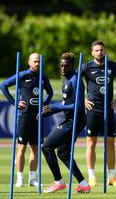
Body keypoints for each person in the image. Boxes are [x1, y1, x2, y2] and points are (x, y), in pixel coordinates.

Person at [0, 53, 53, 187]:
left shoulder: (43, 77)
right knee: (22, 148)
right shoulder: (23, 75)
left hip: (37, 118)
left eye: (40, 62)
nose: (38, 64)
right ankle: (20, 178)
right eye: (35, 61)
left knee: (35, 148)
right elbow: (3, 86)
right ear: (29, 62)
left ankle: (32, 179)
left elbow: (50, 92)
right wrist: (14, 101)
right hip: (24, 117)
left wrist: (44, 103)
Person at [41, 52, 90, 193]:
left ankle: (58, 182)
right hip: (70, 119)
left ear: (72, 66)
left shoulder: (76, 80)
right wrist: (49, 111)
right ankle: (84, 185)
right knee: (63, 153)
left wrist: (54, 107)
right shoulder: (66, 79)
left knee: (47, 147)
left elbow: (78, 106)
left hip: (75, 120)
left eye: (65, 66)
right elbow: (65, 102)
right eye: (61, 65)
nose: (62, 68)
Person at [81, 40, 116, 187]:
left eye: (101, 50)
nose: (99, 52)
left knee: (110, 143)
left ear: (104, 51)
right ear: (92, 52)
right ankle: (92, 177)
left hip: (108, 109)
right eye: (97, 50)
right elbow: (74, 83)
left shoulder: (113, 65)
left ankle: (112, 177)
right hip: (93, 110)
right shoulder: (86, 67)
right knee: (91, 143)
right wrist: (83, 99)